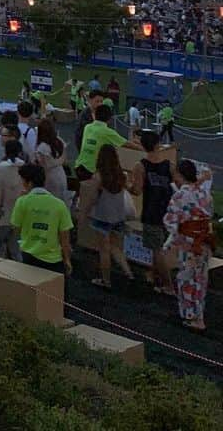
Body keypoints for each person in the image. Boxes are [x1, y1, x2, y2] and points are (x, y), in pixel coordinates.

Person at [163, 159, 214, 333]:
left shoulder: (180, 195)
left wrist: (173, 239)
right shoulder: (205, 194)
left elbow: (171, 221)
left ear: (179, 174)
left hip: (189, 243)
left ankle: (191, 316)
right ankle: (197, 315)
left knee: (186, 279)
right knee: (200, 280)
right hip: (204, 242)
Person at [129, 129, 175, 295]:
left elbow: (137, 190)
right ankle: (155, 276)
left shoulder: (140, 166)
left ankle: (168, 284)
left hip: (151, 212)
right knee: (159, 248)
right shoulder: (169, 166)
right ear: (158, 145)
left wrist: (127, 186)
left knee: (156, 250)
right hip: (168, 212)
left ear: (143, 146)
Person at [10, 163, 73, 275]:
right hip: (53, 259)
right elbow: (65, 237)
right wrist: (67, 259)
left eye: (22, 181)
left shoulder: (22, 201)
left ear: (28, 183)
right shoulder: (59, 204)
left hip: (28, 255)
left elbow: (16, 227)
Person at [89, 144, 134, 290]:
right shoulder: (122, 175)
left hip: (102, 216)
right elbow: (130, 189)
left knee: (104, 249)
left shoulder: (98, 176)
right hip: (119, 215)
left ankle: (106, 280)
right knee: (116, 247)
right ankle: (128, 272)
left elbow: (94, 198)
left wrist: (86, 210)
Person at [0, 139, 25, 259]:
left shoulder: (1, 168)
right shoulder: (24, 167)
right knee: (16, 251)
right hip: (20, 216)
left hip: (3, 215)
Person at [73, 104, 128, 180]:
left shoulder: (88, 127)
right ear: (109, 118)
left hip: (79, 165)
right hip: (92, 171)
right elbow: (126, 144)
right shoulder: (108, 132)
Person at [33, 117, 69, 203]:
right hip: (61, 174)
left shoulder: (43, 147)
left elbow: (46, 165)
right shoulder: (59, 141)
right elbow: (64, 160)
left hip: (49, 178)